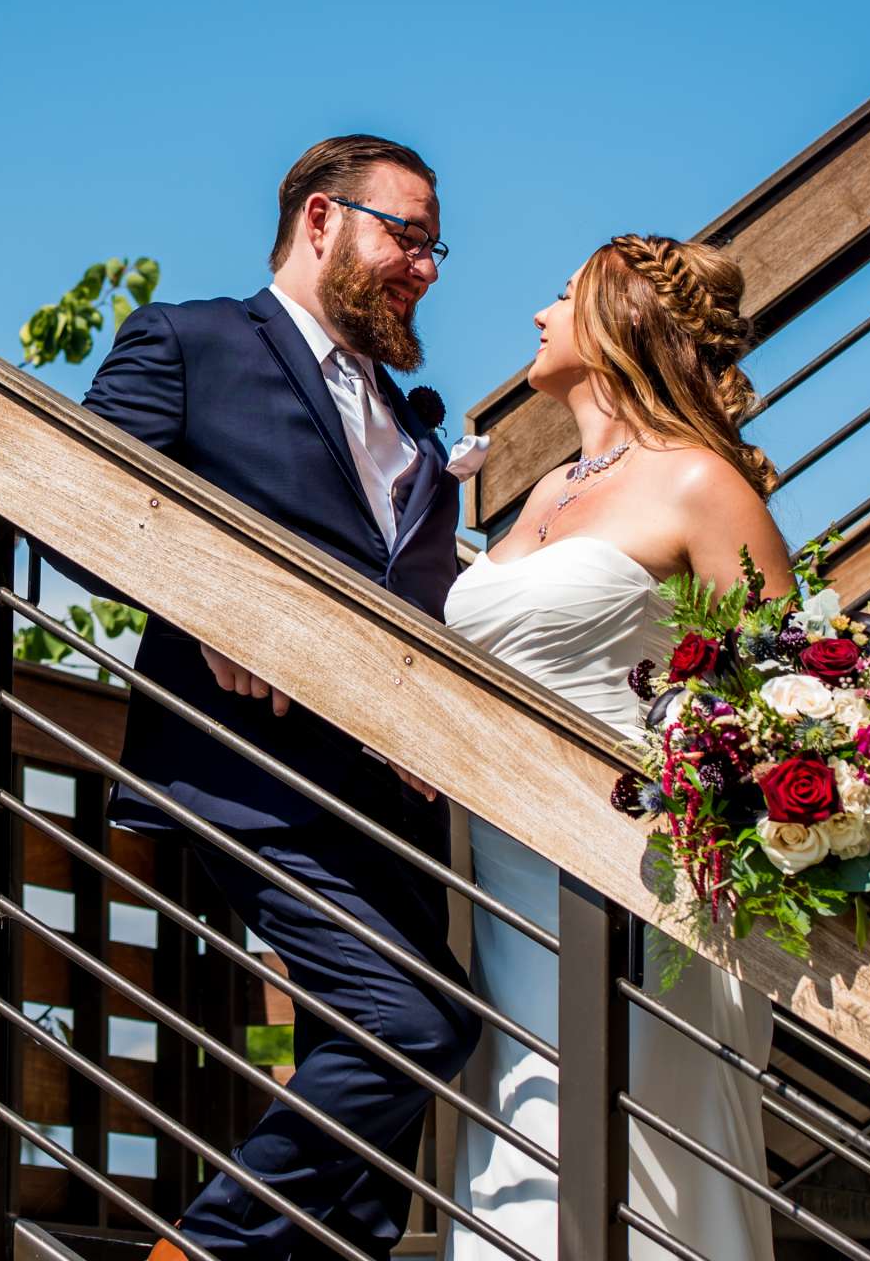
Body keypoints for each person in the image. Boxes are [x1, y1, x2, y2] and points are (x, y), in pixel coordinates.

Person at [81, 134, 480, 1260]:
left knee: (369, 1180)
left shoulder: (411, 421)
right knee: (416, 1022)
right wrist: (217, 603)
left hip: (389, 803)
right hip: (245, 774)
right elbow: (76, 492)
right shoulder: (190, 341)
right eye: (409, 235)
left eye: (436, 245)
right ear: (320, 219)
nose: (429, 268)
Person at [446, 234, 789, 1261]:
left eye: (562, 295)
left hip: (637, 882)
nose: (540, 315)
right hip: (498, 883)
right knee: (513, 1161)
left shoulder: (698, 484)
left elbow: (791, 688)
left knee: (632, 1169)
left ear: (614, 322)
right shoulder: (544, 491)